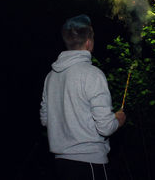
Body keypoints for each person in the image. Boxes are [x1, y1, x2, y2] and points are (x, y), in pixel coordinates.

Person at [40, 14, 126, 180]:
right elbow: (105, 128)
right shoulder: (92, 74)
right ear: (89, 42)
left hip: (61, 165)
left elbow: (45, 119)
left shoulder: (51, 76)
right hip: (90, 164)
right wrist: (118, 119)